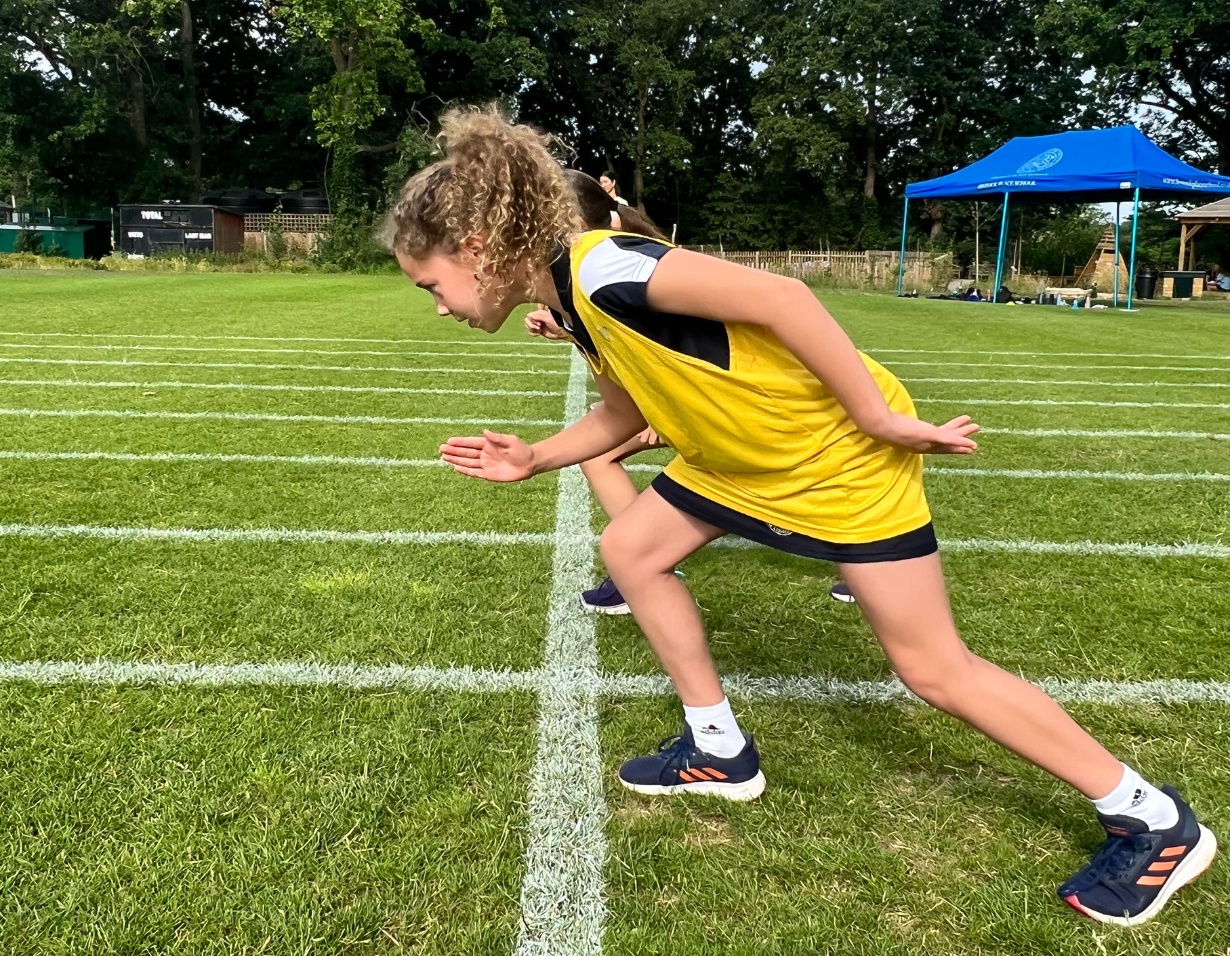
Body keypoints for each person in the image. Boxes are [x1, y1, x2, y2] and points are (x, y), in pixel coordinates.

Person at [392, 106, 1215, 927]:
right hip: (742, 462)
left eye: (430, 283)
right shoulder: (572, 298)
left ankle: (1154, 819)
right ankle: (718, 749)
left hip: (833, 461)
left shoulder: (601, 267)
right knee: (632, 550)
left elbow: (784, 297)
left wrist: (879, 418)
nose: (436, 305)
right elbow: (624, 412)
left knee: (933, 670)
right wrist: (535, 456)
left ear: (476, 250)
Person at [528, 170, 856, 611]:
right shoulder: (591, 284)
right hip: (694, 409)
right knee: (601, 456)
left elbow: (762, 312)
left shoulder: (613, 271)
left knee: (803, 467)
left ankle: (865, 553)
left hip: (742, 409)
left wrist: (666, 417)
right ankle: (638, 564)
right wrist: (567, 327)